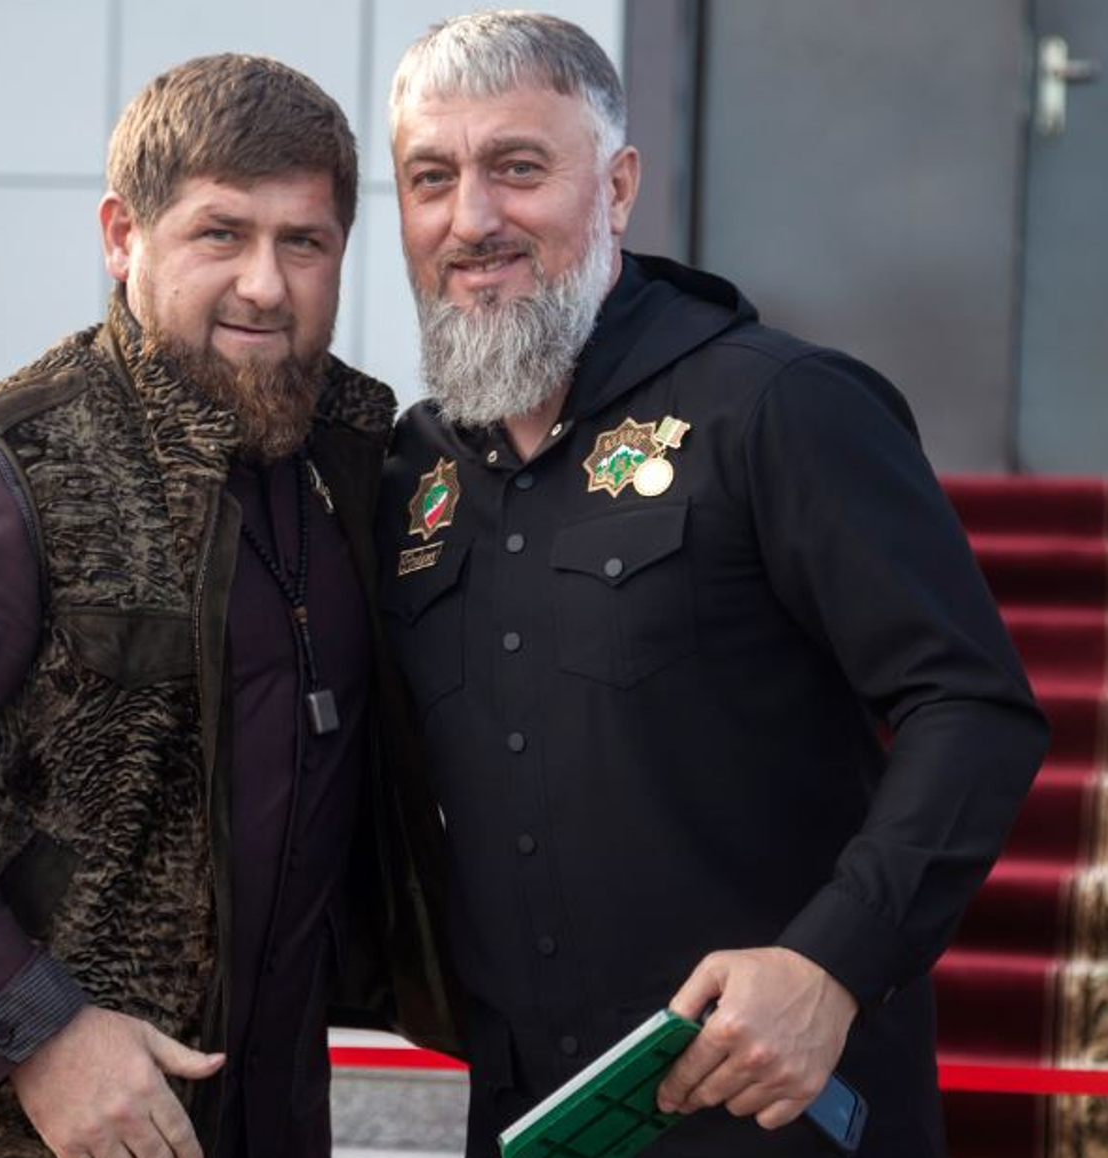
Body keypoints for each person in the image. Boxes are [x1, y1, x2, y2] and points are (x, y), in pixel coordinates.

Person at [376, 12, 1050, 1157]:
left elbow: (972, 708)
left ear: (617, 187)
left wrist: (830, 963)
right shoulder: (411, 472)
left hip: (783, 1120)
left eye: (518, 168)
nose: (470, 219)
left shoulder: (776, 407)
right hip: (531, 1126)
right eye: (429, 178)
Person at [0, 54, 455, 1158]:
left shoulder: (358, 466)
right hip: (10, 1127)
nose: (265, 285)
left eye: (303, 242)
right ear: (121, 235)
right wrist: (36, 1034)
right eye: (220, 234)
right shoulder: (6, 464)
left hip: (262, 1114)